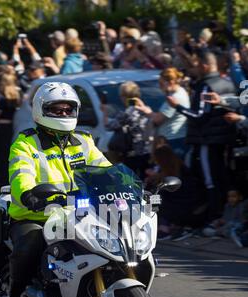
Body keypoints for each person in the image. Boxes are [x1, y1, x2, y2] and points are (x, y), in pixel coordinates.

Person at [7, 82, 111, 297]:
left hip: (80, 214)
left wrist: (133, 186)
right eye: (57, 109)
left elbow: (106, 169)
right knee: (30, 244)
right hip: (37, 215)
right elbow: (21, 175)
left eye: (68, 110)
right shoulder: (26, 144)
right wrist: (30, 195)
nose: (64, 115)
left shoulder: (84, 141)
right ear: (41, 110)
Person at [166, 50, 236, 223]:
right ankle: (222, 214)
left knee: (210, 178)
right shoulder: (227, 83)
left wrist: (178, 107)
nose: (195, 68)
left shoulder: (206, 86)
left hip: (207, 140)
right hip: (224, 138)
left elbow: (200, 115)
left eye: (197, 64)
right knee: (222, 174)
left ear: (205, 66)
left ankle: (213, 215)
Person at [101, 81, 154, 177]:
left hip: (133, 152)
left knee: (133, 178)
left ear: (124, 97)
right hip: (148, 150)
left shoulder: (128, 112)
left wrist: (104, 112)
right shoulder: (147, 109)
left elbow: (109, 126)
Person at [136, 67, 190, 158]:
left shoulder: (175, 97)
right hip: (174, 138)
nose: (160, 87)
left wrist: (147, 111)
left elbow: (158, 119)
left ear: (170, 82)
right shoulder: (179, 92)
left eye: (161, 83)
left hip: (173, 140)